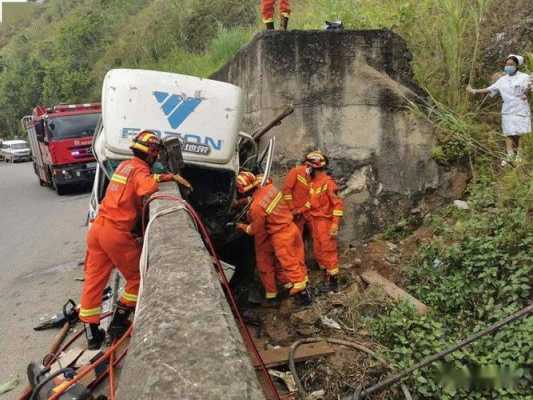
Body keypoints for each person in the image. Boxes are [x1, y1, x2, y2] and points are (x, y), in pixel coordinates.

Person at [80, 130, 192, 349]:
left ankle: (92, 334)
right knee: (137, 279)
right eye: (155, 153)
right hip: (115, 233)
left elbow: (131, 185)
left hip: (97, 229)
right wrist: (165, 177)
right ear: (151, 153)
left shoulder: (124, 166)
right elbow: (146, 187)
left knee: (94, 279)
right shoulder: (141, 170)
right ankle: (119, 323)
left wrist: (160, 176)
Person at [235, 171, 312, 306]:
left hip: (280, 236)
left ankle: (294, 291)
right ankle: (302, 290)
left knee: (286, 263)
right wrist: (240, 203)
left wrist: (240, 226)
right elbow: (260, 199)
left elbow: (254, 230)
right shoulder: (271, 189)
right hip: (292, 228)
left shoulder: (256, 207)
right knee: (296, 260)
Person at [467, 54, 532, 166]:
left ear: (517, 66)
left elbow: (530, 88)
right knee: (508, 132)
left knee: (521, 132)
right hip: (507, 109)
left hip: (521, 107)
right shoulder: (502, 80)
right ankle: (509, 155)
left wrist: (527, 94)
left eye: (511, 64)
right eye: (507, 64)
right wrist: (474, 90)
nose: (508, 66)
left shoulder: (525, 77)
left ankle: (520, 156)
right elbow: (489, 89)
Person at [305, 151, 343, 292]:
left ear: (313, 167)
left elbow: (337, 204)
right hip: (315, 222)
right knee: (319, 252)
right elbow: (310, 203)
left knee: (328, 251)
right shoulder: (312, 183)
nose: (306, 169)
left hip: (325, 223)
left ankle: (333, 284)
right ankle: (326, 279)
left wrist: (335, 223)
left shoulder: (328, 183)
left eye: (307, 166)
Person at [282, 160, 312, 233]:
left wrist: (303, 209)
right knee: (296, 236)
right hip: (295, 213)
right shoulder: (296, 172)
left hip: (307, 212)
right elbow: (286, 191)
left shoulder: (316, 176)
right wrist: (292, 208)